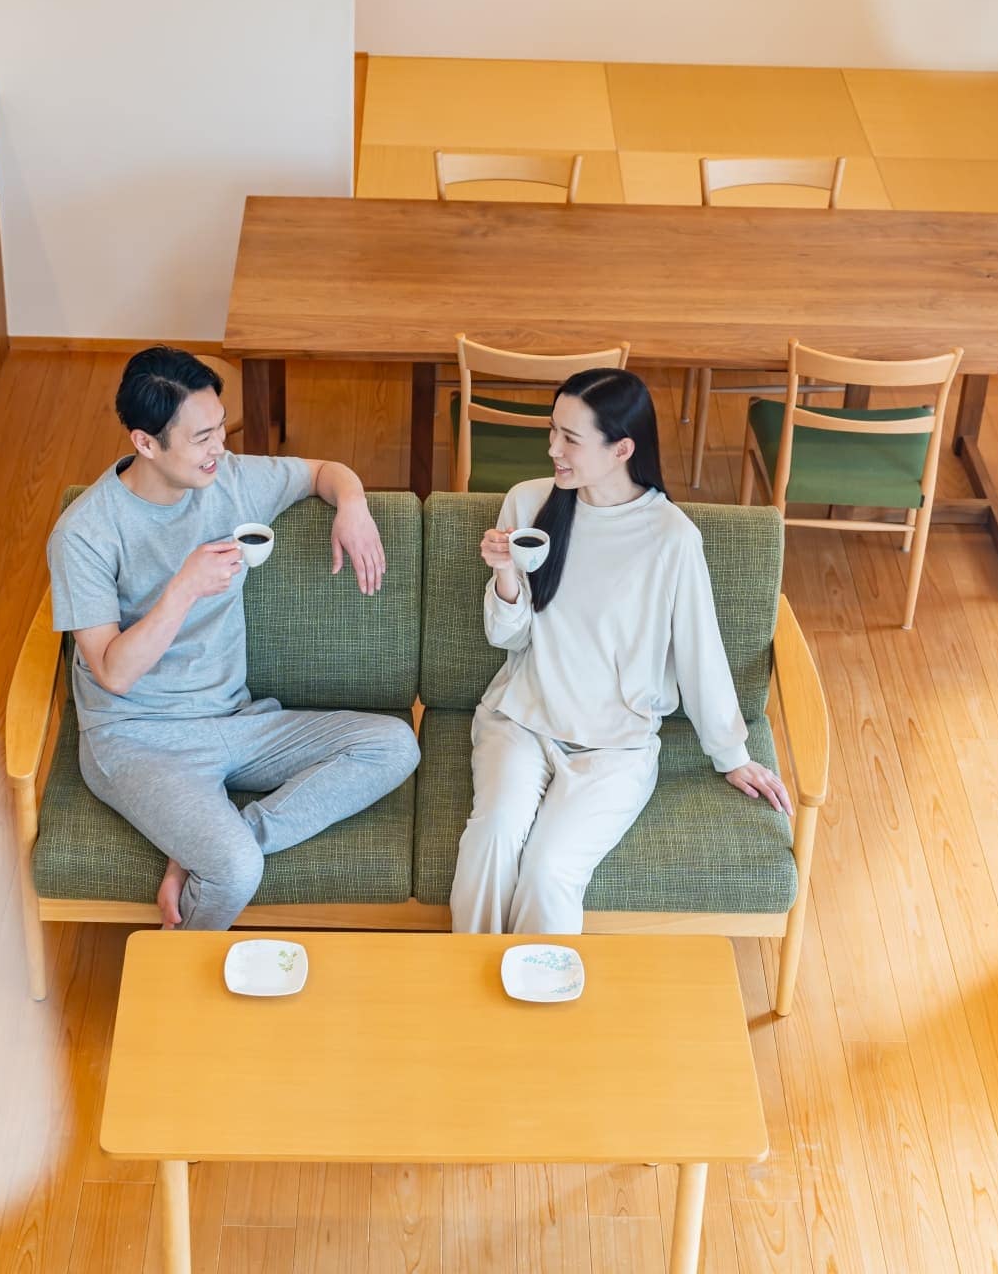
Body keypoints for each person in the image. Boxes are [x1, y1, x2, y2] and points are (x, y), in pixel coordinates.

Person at [49, 346, 420, 931]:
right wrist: (183, 588)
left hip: (235, 721)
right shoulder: (85, 533)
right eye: (202, 438)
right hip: (136, 737)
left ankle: (217, 841)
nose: (219, 447)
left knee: (394, 745)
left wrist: (352, 504)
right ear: (146, 443)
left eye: (221, 427)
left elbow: (323, 471)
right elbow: (113, 673)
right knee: (235, 871)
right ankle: (178, 966)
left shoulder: (231, 480)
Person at [451, 368, 792, 935]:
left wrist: (731, 754)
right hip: (520, 723)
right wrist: (505, 574)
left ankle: (538, 991)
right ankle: (466, 985)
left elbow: (700, 651)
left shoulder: (671, 538)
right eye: (553, 430)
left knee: (549, 872)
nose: (552, 448)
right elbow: (507, 638)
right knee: (490, 840)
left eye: (570, 438)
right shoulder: (529, 503)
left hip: (614, 750)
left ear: (622, 450)